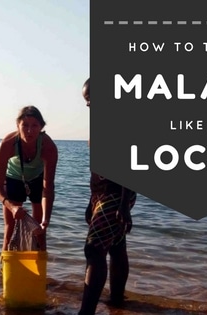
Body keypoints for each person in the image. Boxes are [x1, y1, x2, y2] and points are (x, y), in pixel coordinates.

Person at [78, 78, 137, 315]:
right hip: (105, 194)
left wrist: (123, 206)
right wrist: (91, 201)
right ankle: (116, 301)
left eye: (90, 98)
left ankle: (86, 312)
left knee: (94, 249)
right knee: (116, 246)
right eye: (86, 100)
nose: (88, 104)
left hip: (117, 192)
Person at [0, 106, 58, 251]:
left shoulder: (48, 146)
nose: (29, 131)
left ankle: (40, 270)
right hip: (14, 177)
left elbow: (48, 188)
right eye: (25, 125)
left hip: (37, 178)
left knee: (39, 231)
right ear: (18, 126)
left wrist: (46, 219)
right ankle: (6, 270)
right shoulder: (7, 144)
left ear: (41, 127)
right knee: (10, 228)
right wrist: (12, 207)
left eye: (35, 126)